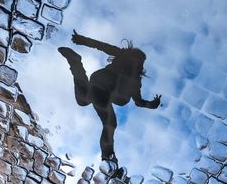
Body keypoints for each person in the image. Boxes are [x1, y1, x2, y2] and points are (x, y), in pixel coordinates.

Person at [58, 30, 161, 164]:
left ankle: (76, 63)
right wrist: (81, 39)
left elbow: (138, 101)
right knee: (110, 122)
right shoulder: (128, 66)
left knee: (83, 101)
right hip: (104, 86)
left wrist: (152, 104)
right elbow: (101, 46)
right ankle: (107, 157)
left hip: (100, 88)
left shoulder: (134, 78)